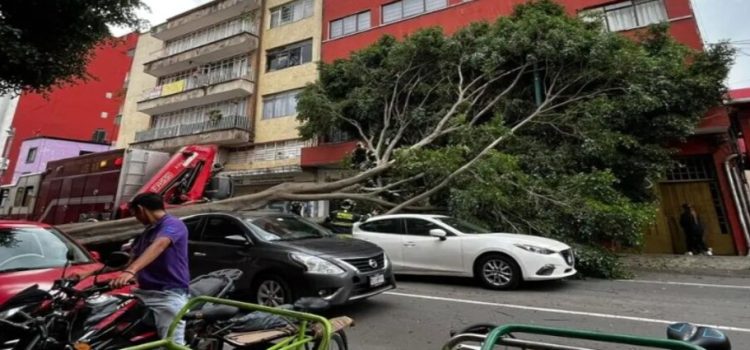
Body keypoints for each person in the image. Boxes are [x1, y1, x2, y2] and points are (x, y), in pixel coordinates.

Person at [109, 192, 191, 344]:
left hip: (168, 294)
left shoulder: (173, 224)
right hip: (145, 293)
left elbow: (159, 245)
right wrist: (88, 274)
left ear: (141, 209)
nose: (137, 219)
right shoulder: (147, 232)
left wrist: (131, 271)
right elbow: (130, 259)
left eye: (135, 214)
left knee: (172, 344)